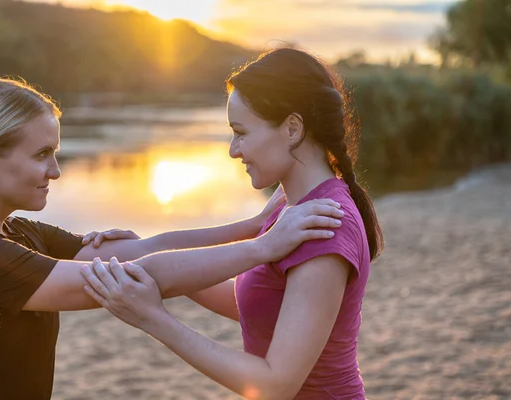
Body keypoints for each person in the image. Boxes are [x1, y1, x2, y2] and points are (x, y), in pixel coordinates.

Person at [0, 77, 344, 400]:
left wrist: (248, 227)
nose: (56, 171)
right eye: (42, 154)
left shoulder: (18, 232)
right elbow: (135, 275)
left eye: (56, 153)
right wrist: (263, 248)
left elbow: (147, 248)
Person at [81, 47, 384, 400]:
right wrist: (154, 254)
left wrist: (153, 318)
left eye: (240, 132)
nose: (233, 150)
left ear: (292, 128)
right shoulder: (291, 207)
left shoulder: (323, 225)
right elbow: (258, 304)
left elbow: (275, 384)